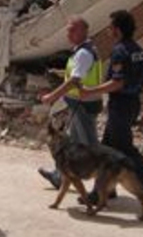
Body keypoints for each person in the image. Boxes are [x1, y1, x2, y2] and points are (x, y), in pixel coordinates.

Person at [82, 10, 143, 214]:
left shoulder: (120, 51)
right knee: (107, 150)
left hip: (121, 106)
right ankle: (103, 192)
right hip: (132, 105)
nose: (108, 31)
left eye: (110, 27)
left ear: (117, 30)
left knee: (128, 154)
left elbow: (117, 83)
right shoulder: (140, 51)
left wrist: (89, 91)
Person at [38, 17, 103, 189]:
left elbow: (74, 81)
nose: (68, 34)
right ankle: (59, 177)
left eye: (72, 30)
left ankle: (104, 186)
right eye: (68, 30)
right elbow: (77, 75)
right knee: (71, 144)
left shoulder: (83, 54)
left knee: (90, 147)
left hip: (83, 105)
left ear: (84, 31)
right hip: (79, 104)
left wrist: (52, 96)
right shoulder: (82, 51)